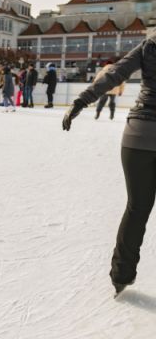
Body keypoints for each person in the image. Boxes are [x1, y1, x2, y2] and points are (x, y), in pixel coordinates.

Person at [62, 35, 156, 297]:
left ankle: (121, 276)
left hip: (137, 136)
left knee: (137, 208)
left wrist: (80, 101)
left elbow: (114, 73)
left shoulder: (150, 45)